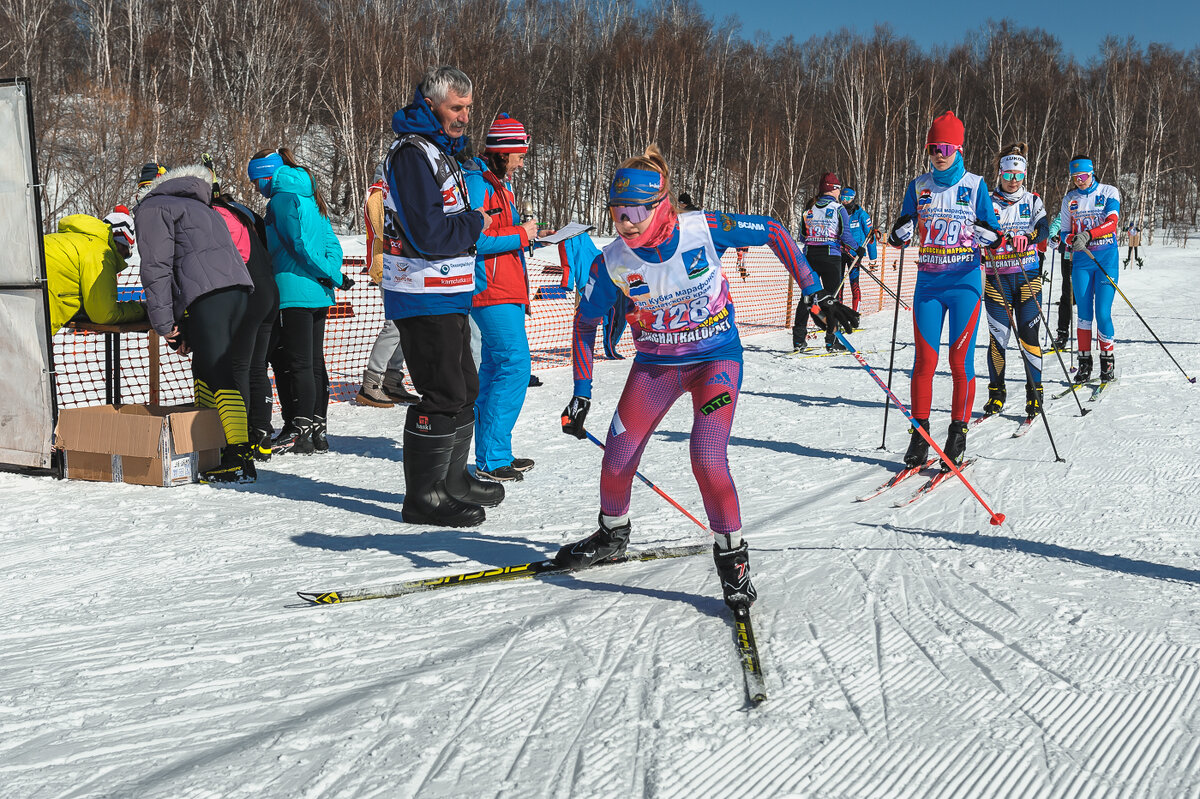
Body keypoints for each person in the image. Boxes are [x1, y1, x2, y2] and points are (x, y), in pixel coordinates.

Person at [556, 144, 841, 612]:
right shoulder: (611, 262)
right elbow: (585, 324)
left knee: (706, 455)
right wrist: (581, 392)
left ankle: (733, 559)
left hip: (716, 362)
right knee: (617, 457)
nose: (623, 223)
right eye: (615, 212)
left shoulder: (702, 229)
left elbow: (771, 230)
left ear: (660, 204)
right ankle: (612, 532)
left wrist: (814, 291)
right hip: (655, 367)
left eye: (633, 213)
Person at [381, 65, 502, 528]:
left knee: (464, 388)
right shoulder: (412, 153)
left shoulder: (439, 151)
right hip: (420, 291)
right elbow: (430, 232)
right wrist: (477, 223)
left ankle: (452, 480)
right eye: (457, 108)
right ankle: (424, 496)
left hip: (447, 290)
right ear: (430, 105)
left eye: (469, 108)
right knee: (442, 392)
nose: (465, 117)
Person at [888, 111, 1004, 470]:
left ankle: (958, 432)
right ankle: (919, 434)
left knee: (958, 361)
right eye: (933, 147)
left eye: (947, 147)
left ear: (959, 148)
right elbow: (900, 229)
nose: (940, 153)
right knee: (924, 360)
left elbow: (993, 232)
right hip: (929, 282)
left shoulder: (975, 184)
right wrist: (898, 234)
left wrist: (992, 237)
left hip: (965, 282)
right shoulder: (919, 185)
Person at [134, 165, 256, 482]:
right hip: (238, 292)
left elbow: (157, 269)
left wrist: (165, 324)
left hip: (209, 296)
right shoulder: (200, 206)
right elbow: (187, 266)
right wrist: (186, 324)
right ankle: (211, 446)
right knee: (205, 367)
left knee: (216, 370)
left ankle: (237, 456)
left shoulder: (152, 207)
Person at [248, 148, 346, 455]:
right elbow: (331, 241)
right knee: (315, 362)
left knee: (299, 364)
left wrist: (328, 273)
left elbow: (298, 244)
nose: (255, 188)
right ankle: (318, 429)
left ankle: (299, 430)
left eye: (256, 181)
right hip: (318, 291)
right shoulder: (309, 194)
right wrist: (331, 272)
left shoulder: (280, 199)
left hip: (293, 292)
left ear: (267, 175)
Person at [462, 113, 539, 482]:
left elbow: (501, 232)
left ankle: (494, 455)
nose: (522, 161)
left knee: (495, 369)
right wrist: (522, 235)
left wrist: (531, 234)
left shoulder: (499, 183)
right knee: (515, 366)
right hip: (490, 291)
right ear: (503, 151)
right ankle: (492, 458)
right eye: (519, 154)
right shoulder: (479, 183)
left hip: (505, 289)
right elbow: (473, 238)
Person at [207, 164, 281, 462]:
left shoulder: (215, 215)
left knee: (238, 366)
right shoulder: (241, 211)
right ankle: (261, 434)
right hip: (269, 290)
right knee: (256, 366)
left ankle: (242, 438)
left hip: (249, 293)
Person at [980, 143, 1048, 419]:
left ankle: (1035, 392)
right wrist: (990, 239)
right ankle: (996, 392)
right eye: (1008, 175)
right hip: (997, 279)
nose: (1012, 181)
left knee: (1029, 335)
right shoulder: (986, 199)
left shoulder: (1033, 200)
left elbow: (1043, 227)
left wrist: (1029, 237)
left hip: (1028, 276)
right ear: (1000, 173)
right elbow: (976, 228)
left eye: (1018, 176)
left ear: (1025, 176)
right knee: (998, 338)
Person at [358, 162, 420, 407]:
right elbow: (387, 232)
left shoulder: (388, 193)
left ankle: (392, 379)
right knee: (394, 324)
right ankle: (372, 381)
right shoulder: (379, 195)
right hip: (388, 265)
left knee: (405, 323)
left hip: (398, 264)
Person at [1060, 154, 1121, 384]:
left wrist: (1089, 234)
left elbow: (1112, 221)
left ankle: (1107, 361)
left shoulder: (1108, 192)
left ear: (1092, 172)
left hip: (1105, 260)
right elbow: (1064, 231)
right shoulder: (1070, 199)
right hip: (1082, 262)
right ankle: (1084, 364)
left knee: (1102, 313)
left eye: (1083, 175)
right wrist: (1071, 239)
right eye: (1075, 177)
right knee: (1084, 315)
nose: (1080, 181)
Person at [43, 209, 146, 334]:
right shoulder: (100, 252)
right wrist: (141, 309)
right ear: (121, 244)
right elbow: (103, 314)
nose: (122, 259)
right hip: (36, 319)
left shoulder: (64, 240)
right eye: (126, 254)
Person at [793, 172, 864, 352]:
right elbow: (845, 235)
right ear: (834, 190)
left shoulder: (809, 209)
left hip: (809, 257)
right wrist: (857, 249)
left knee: (806, 298)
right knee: (832, 299)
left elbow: (802, 235)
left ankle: (798, 339)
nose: (840, 194)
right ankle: (832, 340)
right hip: (831, 257)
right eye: (839, 189)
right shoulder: (839, 209)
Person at [839, 185, 877, 313]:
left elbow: (870, 236)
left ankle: (855, 314)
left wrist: (873, 257)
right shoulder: (838, 212)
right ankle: (838, 316)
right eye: (842, 198)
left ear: (853, 199)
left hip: (854, 255)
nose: (844, 201)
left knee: (854, 283)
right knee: (839, 285)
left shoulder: (861, 215)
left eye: (847, 199)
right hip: (839, 252)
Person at [1047, 210, 1074, 351]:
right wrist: (1053, 237)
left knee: (1085, 295)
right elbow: (1056, 224)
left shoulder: (1090, 204)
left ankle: (1088, 335)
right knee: (1067, 293)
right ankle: (1062, 334)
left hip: (1087, 252)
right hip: (1068, 253)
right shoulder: (1068, 206)